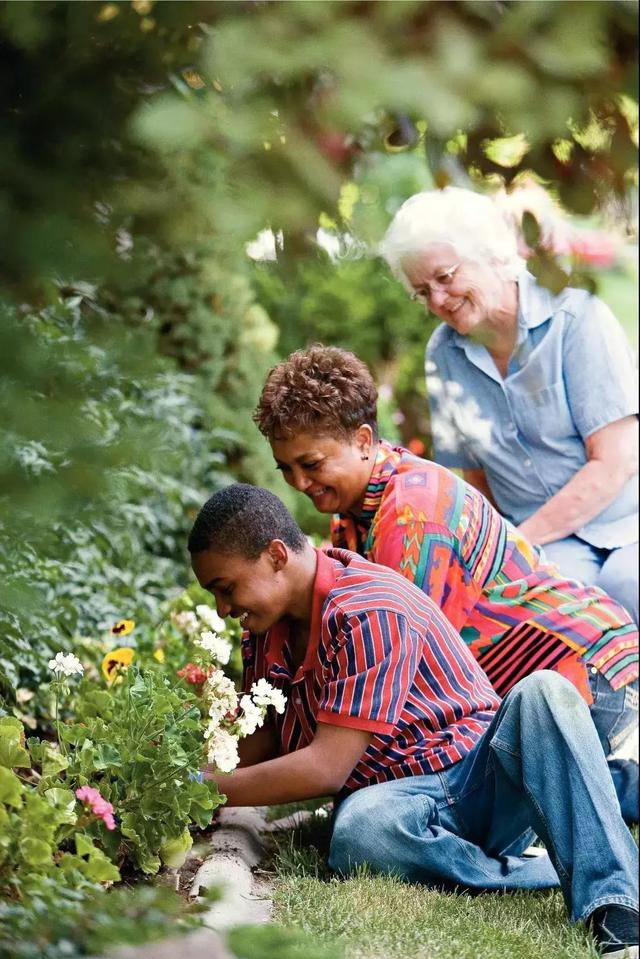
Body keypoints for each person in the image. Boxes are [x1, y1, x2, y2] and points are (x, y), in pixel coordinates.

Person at [188, 483, 639, 959]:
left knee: (544, 691)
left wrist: (203, 785)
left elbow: (326, 768)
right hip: (399, 798)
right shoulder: (267, 625)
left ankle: (617, 905)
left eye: (226, 588)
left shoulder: (367, 607)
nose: (223, 608)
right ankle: (534, 869)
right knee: (360, 833)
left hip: (476, 778)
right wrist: (178, 778)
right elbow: (260, 744)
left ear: (276, 556)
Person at [254, 345, 639, 822]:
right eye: (286, 469)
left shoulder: (411, 519)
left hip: (582, 674)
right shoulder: (355, 513)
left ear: (363, 439)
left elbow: (396, 680)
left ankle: (615, 785)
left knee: (510, 795)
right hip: (529, 680)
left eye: (310, 464)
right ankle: (606, 782)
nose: (299, 483)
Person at [379, 185, 639, 628]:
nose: (437, 301)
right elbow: (476, 481)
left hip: (625, 522)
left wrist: (515, 544)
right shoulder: (443, 354)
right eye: (422, 292)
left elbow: (616, 460)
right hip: (547, 548)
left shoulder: (574, 317)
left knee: (624, 587)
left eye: (444, 277)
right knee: (546, 618)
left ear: (490, 252)